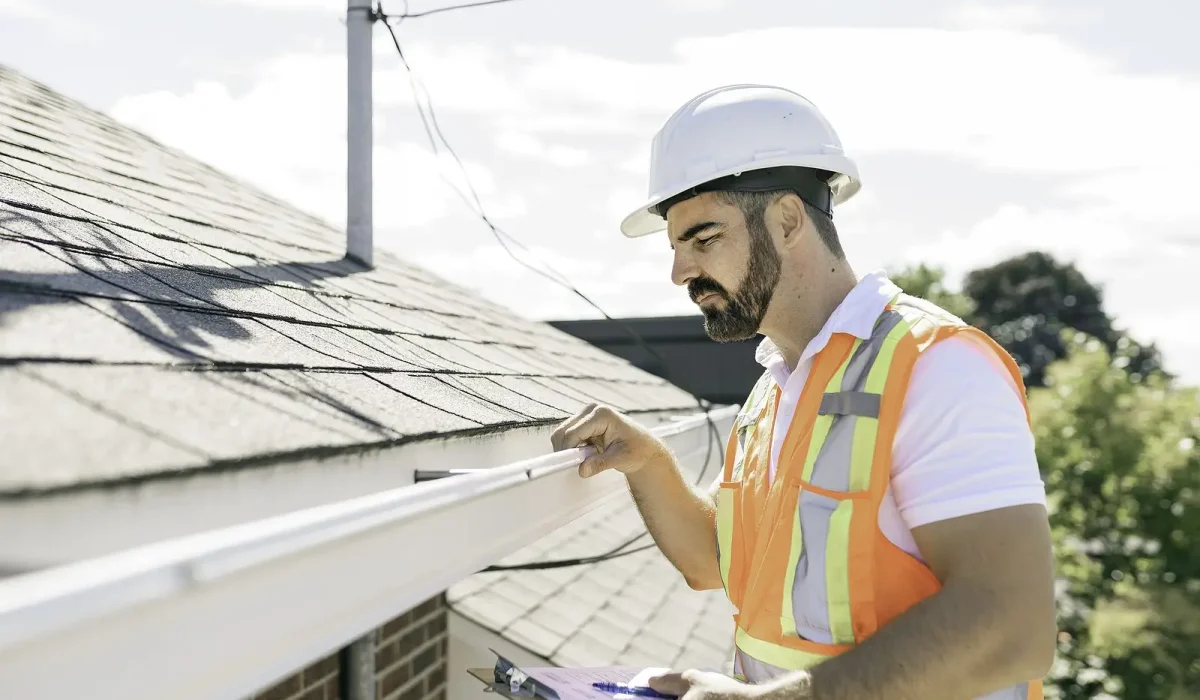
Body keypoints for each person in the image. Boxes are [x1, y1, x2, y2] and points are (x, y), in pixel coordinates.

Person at [550, 85, 1057, 700]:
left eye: (703, 239)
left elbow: (1012, 625)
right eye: (677, 246)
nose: (680, 272)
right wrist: (647, 461)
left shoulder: (937, 367)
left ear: (788, 221)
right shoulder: (775, 389)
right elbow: (717, 562)